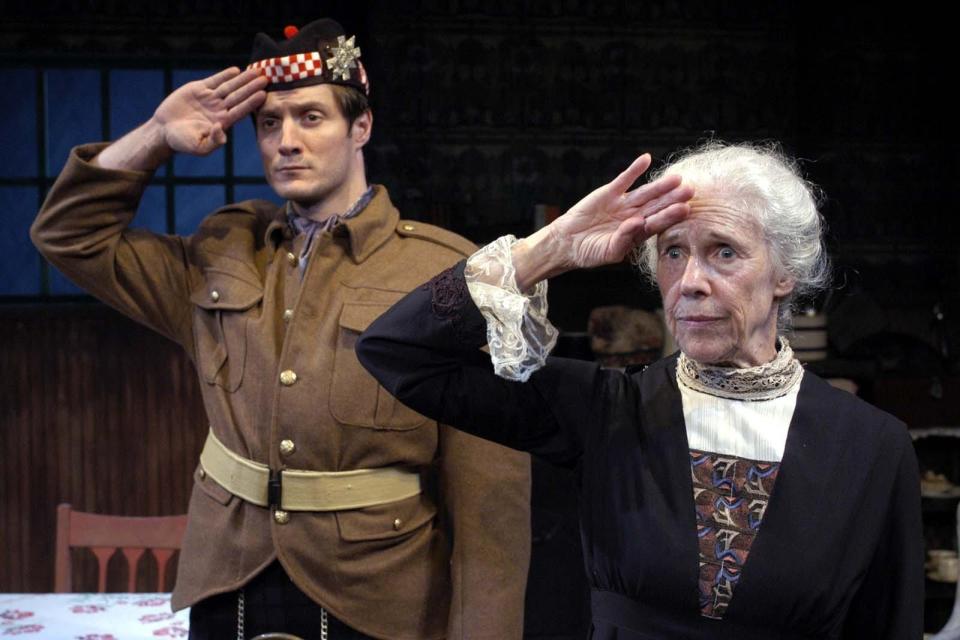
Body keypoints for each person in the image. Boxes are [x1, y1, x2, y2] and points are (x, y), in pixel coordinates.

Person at [31, 18, 531, 640]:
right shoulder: (223, 250)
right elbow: (67, 237)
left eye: (311, 118)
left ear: (361, 127)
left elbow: (491, 507)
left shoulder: (446, 270)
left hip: (380, 593)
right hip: (230, 576)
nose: (285, 141)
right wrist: (157, 135)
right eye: (270, 123)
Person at [357, 142, 924, 638]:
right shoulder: (606, 411)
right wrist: (547, 251)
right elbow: (397, 353)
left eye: (724, 252)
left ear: (785, 274)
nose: (692, 282)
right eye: (674, 253)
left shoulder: (872, 448)